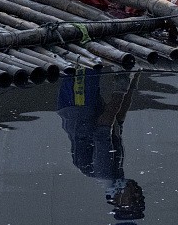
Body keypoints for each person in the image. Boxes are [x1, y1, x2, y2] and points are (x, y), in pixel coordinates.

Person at [58, 70, 145, 222]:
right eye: (140, 200)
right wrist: (130, 84)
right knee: (89, 65)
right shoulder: (116, 173)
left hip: (78, 106)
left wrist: (120, 89)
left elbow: (103, 129)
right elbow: (118, 121)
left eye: (132, 202)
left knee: (81, 65)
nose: (137, 195)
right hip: (83, 106)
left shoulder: (105, 173)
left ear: (117, 201)